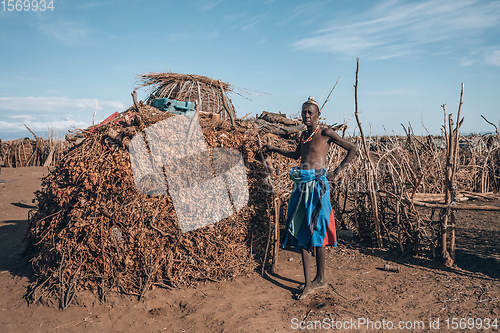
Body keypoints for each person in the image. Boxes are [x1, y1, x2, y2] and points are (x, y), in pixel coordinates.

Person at [263, 96, 358, 299]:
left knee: (318, 231)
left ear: (318, 115)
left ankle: (320, 278)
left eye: (310, 113)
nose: (306, 115)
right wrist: (274, 149)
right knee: (302, 230)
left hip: (318, 187)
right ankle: (308, 283)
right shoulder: (304, 136)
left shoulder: (325, 132)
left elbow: (353, 149)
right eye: (303, 112)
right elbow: (297, 155)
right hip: (301, 185)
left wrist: (336, 172)